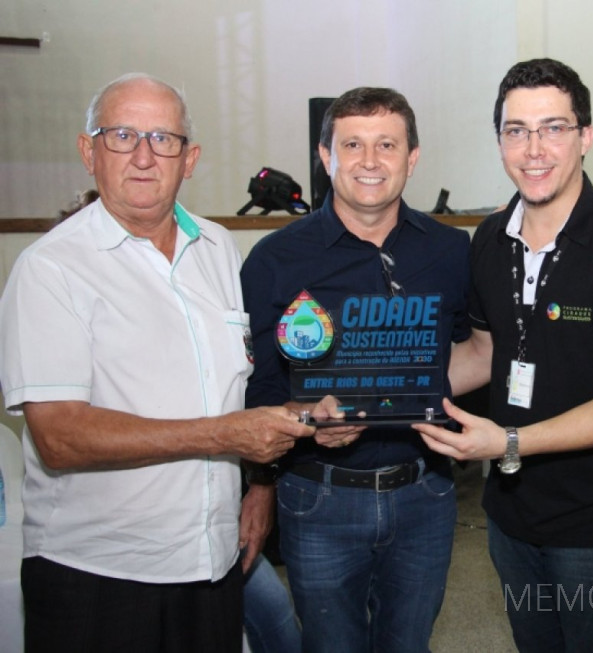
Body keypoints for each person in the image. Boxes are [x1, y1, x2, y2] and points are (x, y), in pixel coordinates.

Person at [0, 73, 316, 652]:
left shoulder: (219, 249)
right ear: (87, 150)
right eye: (121, 135)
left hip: (210, 565)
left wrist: (260, 488)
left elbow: (233, 389)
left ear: (189, 158)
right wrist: (227, 434)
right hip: (97, 575)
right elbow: (60, 437)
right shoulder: (51, 269)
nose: (144, 156)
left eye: (163, 139)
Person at [414, 58, 593, 652]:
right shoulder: (487, 239)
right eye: (516, 130)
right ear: (500, 139)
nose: (534, 149)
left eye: (554, 128)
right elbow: (484, 352)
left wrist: (507, 443)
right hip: (511, 518)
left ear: (586, 136)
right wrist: (384, 391)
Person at [240, 87, 471, 653]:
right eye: (353, 145)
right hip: (318, 498)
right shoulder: (275, 259)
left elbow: (467, 352)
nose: (370, 161)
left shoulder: (451, 252)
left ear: (411, 158)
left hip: (426, 497)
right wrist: (301, 421)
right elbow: (254, 390)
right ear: (326, 157)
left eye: (387, 144)